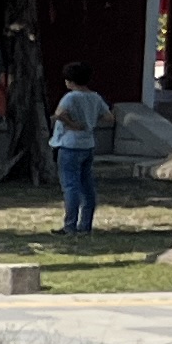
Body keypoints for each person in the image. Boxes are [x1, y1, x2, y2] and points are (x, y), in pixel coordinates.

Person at [51, 69, 106, 234]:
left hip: (70, 143)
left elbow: (59, 114)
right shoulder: (95, 97)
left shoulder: (71, 97)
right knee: (87, 186)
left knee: (71, 186)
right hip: (88, 144)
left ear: (70, 81)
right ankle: (85, 224)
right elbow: (109, 116)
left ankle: (70, 225)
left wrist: (72, 124)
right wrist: (91, 121)